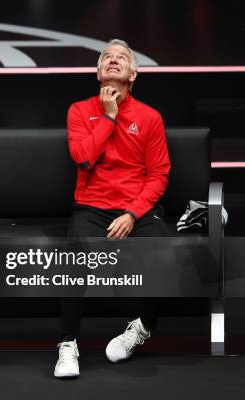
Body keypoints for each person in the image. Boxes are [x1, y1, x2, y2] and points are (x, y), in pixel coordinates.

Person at [54, 39, 171, 378]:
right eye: (107, 57)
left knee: (169, 254)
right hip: (91, 207)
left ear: (133, 75)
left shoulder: (150, 117)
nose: (113, 60)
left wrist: (133, 214)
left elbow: (159, 174)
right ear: (98, 72)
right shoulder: (79, 110)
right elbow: (83, 159)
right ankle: (67, 344)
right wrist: (108, 117)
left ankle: (143, 327)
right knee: (74, 257)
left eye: (122, 58)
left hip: (137, 209)